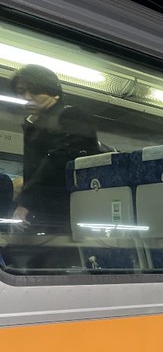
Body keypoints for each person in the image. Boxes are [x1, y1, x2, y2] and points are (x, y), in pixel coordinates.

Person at [9, 64, 99, 233]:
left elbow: (59, 159)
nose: (27, 97)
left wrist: (27, 201)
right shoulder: (34, 126)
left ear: (52, 91)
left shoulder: (70, 115)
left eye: (34, 90)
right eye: (21, 92)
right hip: (47, 216)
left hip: (70, 212)